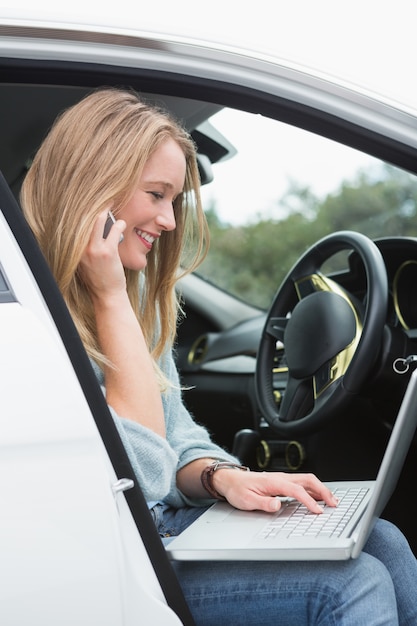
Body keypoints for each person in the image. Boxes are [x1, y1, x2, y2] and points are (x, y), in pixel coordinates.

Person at [21, 87, 417, 625]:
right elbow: (141, 478)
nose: (167, 222)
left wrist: (222, 477)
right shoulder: (32, 316)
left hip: (158, 530)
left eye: (174, 201)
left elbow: (174, 436)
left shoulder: (134, 298)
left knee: (386, 541)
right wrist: (111, 299)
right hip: (117, 555)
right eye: (155, 195)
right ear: (94, 187)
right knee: (352, 585)